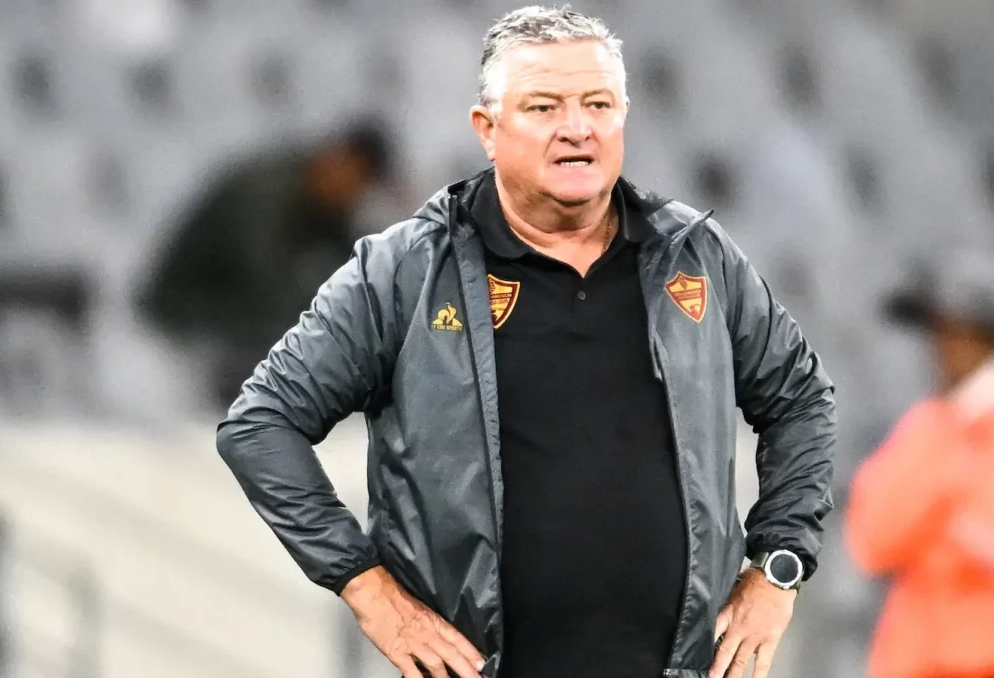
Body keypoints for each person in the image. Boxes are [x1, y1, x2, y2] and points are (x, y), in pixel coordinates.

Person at [216, 7, 836, 678]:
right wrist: (368, 589)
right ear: (487, 128)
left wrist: (777, 567)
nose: (577, 127)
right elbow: (260, 425)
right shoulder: (405, 272)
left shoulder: (696, 255)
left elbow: (801, 398)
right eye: (544, 107)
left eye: (598, 103)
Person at [845, 252, 994, 678]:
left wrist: (932, 526)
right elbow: (872, 537)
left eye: (959, 332)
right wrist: (953, 492)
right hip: (918, 664)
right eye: (939, 332)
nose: (942, 346)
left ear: (990, 339)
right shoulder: (925, 426)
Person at [136, 117, 397, 409]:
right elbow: (262, 278)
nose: (355, 195)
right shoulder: (267, 193)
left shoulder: (319, 195)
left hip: (231, 299)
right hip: (184, 304)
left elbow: (352, 262)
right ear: (337, 159)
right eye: (357, 181)